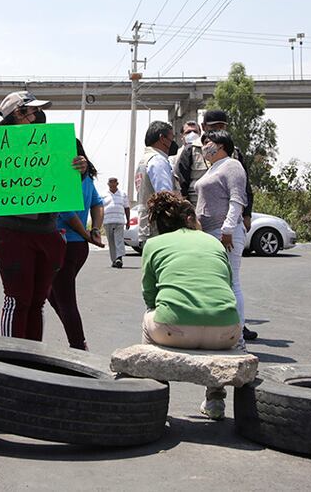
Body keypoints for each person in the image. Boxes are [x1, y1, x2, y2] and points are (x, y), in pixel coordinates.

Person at [0, 90, 88, 341]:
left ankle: (31, 358)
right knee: (17, 298)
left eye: (37, 111)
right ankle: (12, 359)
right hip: (11, 234)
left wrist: (80, 167)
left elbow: (74, 180)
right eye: (31, 111)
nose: (37, 115)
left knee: (37, 301)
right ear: (16, 114)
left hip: (47, 232)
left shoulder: (53, 143)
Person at [140, 191, 240, 420]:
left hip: (173, 331)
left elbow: (149, 295)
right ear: (188, 219)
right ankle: (215, 398)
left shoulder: (153, 244)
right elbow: (227, 284)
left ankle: (154, 394)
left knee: (148, 317)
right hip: (226, 333)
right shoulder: (213, 242)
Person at [195, 129, 249, 349]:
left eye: (209, 141)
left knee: (231, 281)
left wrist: (227, 230)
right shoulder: (213, 168)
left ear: (222, 144)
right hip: (210, 232)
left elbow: (237, 200)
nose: (205, 145)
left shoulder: (232, 165)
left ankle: (238, 338)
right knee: (218, 282)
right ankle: (221, 334)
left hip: (224, 233)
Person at [49, 141, 104, 350]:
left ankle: (79, 347)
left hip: (66, 245)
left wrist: (88, 233)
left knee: (65, 300)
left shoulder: (63, 178)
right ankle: (77, 340)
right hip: (79, 247)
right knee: (52, 294)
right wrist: (94, 231)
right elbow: (97, 204)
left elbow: (65, 211)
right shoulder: (87, 177)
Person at [134, 121, 178, 247]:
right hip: (159, 228)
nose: (172, 143)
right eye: (171, 138)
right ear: (162, 138)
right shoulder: (158, 160)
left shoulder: (145, 160)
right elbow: (166, 197)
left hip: (147, 226)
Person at [174, 119, 208, 207]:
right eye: (188, 132)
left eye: (195, 131)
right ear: (182, 136)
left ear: (200, 134)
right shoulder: (174, 157)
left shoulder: (205, 152)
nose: (192, 134)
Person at [101, 176, 130, 268]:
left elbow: (127, 207)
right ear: (108, 184)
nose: (112, 184)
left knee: (119, 240)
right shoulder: (103, 194)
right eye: (110, 182)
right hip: (107, 221)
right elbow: (99, 208)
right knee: (111, 241)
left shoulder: (123, 194)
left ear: (117, 184)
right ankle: (114, 260)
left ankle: (119, 258)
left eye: (114, 182)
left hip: (119, 220)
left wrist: (128, 221)